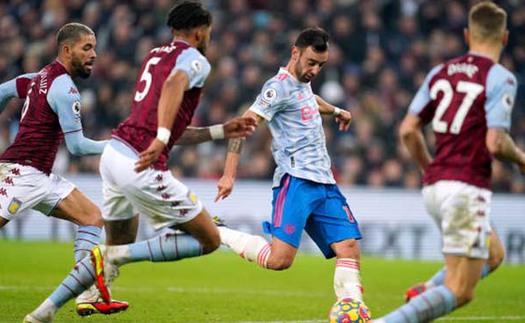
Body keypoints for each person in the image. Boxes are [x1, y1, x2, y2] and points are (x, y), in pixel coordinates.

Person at [88, 0, 256, 306]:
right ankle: (111, 257)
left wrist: (221, 131)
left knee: (120, 238)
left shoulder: (153, 55)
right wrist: (162, 138)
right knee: (209, 238)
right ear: (199, 31)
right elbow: (174, 87)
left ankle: (86, 295)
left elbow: (165, 121)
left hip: (115, 153)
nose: (209, 38)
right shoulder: (196, 60)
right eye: (208, 32)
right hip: (141, 162)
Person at [374, 2, 525, 322]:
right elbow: (496, 142)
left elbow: (408, 130)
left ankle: (426, 290)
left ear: (468, 35)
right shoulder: (501, 77)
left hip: (436, 186)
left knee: (494, 254)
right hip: (465, 188)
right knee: (461, 290)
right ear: (505, 38)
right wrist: (521, 158)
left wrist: (429, 169)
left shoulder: (439, 72)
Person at [213, 27, 365, 304]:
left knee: (349, 247)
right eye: (311, 62)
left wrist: (336, 111)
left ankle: (352, 312)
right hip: (295, 181)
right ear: (295, 52)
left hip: (325, 181)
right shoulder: (276, 88)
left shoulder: (303, 83)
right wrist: (229, 175)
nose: (315, 70)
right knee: (279, 260)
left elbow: (308, 100)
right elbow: (241, 127)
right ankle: (218, 232)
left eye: (321, 65)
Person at [0, 23, 131, 322]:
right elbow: (78, 147)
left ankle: (87, 293)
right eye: (87, 48)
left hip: (41, 177)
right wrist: (120, 146)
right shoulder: (66, 89)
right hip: (20, 174)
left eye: (95, 48)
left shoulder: (39, 77)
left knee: (93, 217)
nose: (94, 55)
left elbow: (4, 91)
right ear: (66, 49)